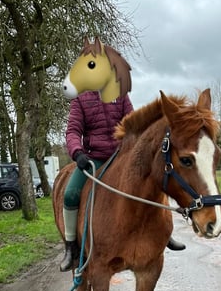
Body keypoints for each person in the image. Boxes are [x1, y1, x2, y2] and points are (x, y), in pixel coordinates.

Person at [59, 90, 186, 272]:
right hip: (94, 159)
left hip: (122, 155)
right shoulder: (81, 99)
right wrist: (77, 152)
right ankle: (71, 246)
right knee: (70, 194)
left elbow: (133, 123)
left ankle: (165, 234)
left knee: (152, 180)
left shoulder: (119, 94)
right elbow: (73, 131)